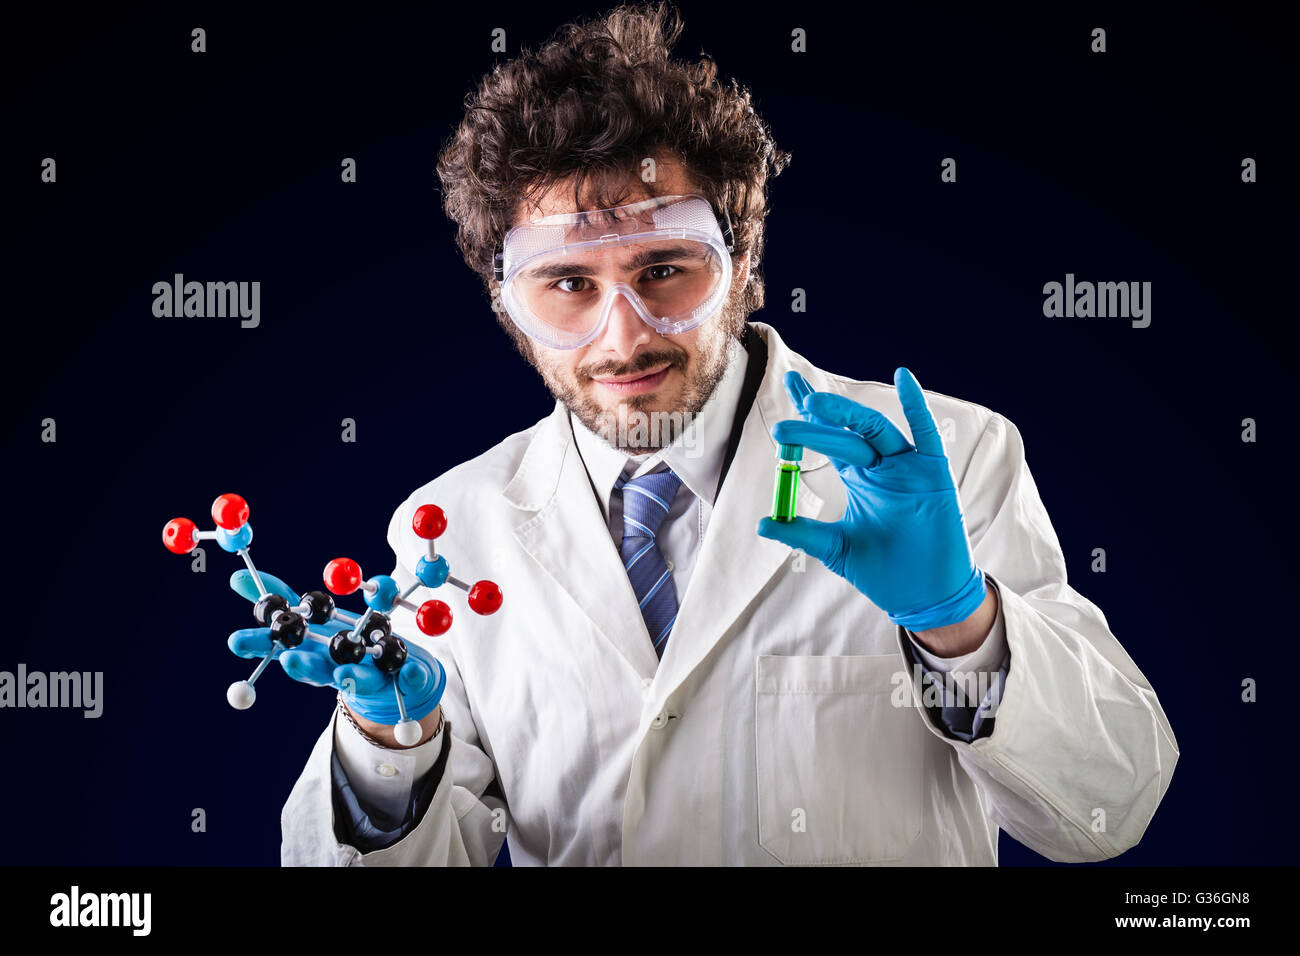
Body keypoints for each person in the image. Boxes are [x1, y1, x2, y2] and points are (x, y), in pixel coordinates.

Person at [242, 3, 1177, 866]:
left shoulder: (945, 461)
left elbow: (1106, 810)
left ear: (741, 262)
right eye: (567, 284)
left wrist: (959, 623)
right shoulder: (452, 527)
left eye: (664, 268)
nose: (624, 335)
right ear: (506, 303)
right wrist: (388, 751)